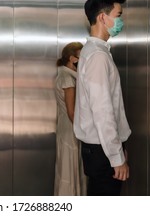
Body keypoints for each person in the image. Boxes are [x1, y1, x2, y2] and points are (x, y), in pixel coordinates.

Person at [74, 0, 131, 196]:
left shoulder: (94, 52)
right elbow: (103, 111)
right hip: (102, 151)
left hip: (100, 148)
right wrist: (116, 158)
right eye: (118, 15)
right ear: (102, 17)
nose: (120, 21)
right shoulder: (98, 57)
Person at [54, 42, 87, 196]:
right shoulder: (68, 78)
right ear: (73, 59)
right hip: (71, 130)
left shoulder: (63, 75)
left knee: (66, 170)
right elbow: (72, 112)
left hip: (65, 128)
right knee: (70, 171)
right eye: (81, 57)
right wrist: (86, 134)